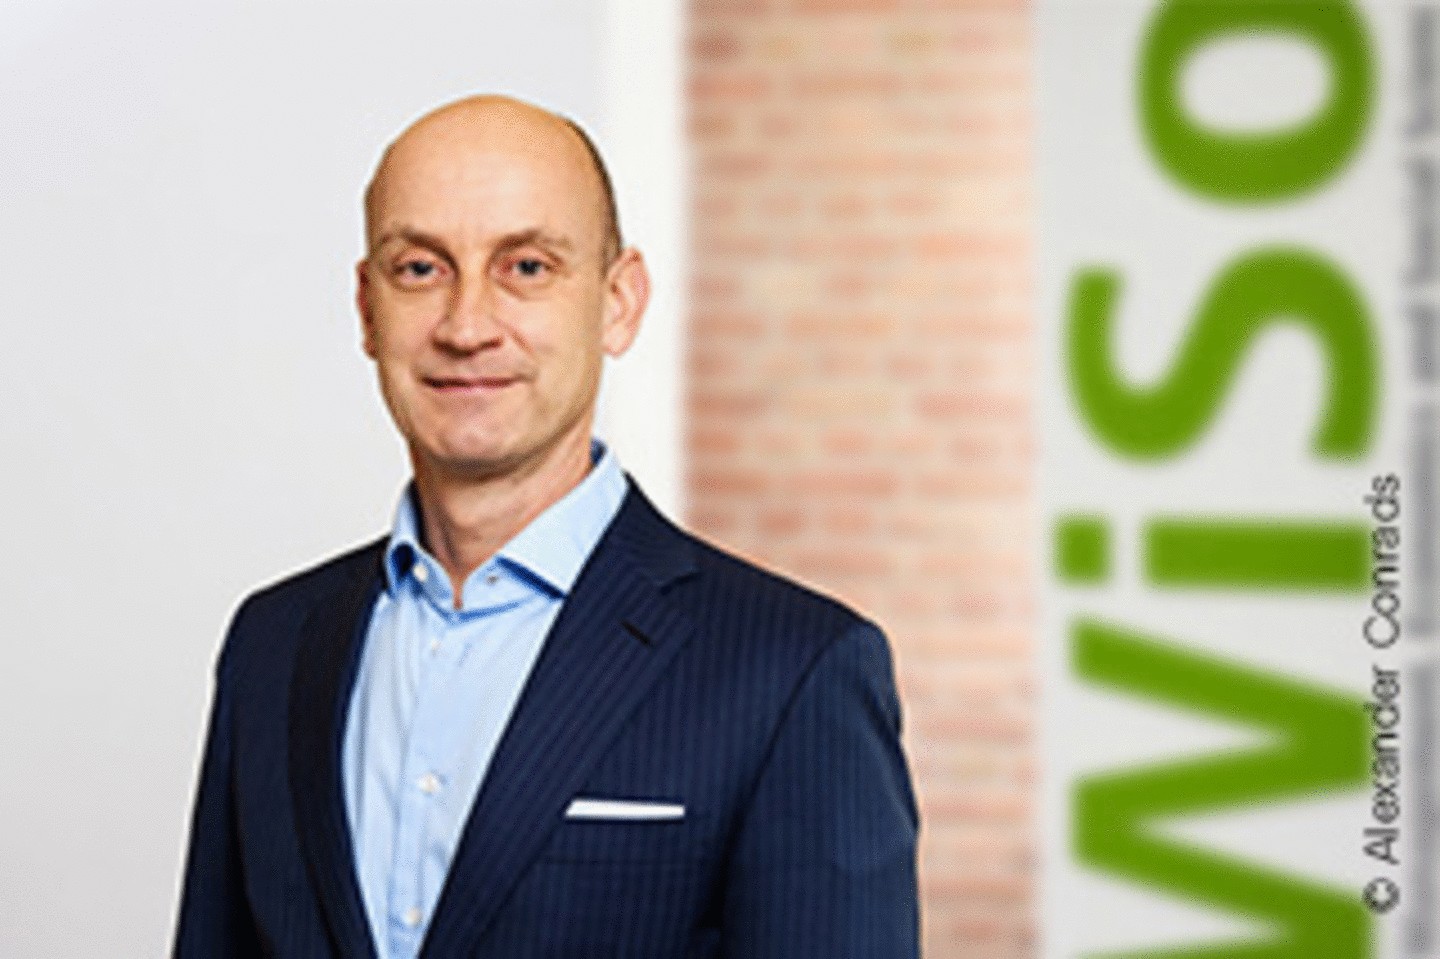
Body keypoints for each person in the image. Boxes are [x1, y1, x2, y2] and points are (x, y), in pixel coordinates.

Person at [172, 94, 919, 959]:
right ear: (368, 309)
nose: (466, 325)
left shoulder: (792, 672)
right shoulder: (273, 645)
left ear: (618, 302)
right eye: (420, 268)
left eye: (526, 267)